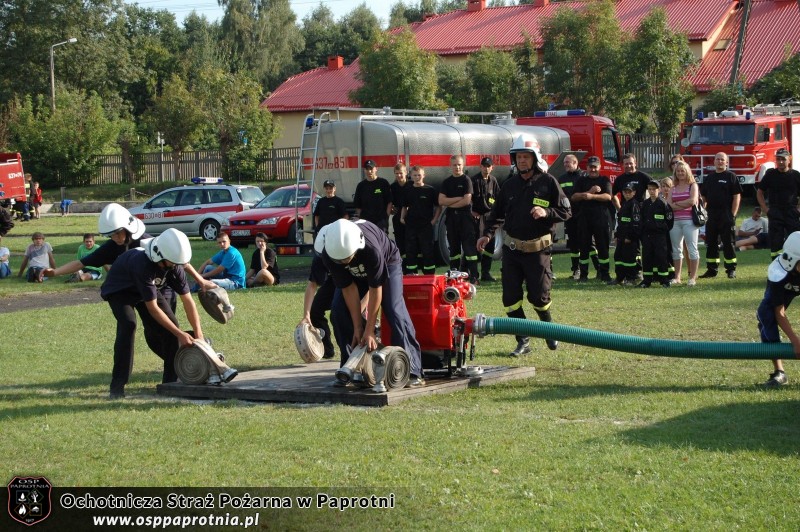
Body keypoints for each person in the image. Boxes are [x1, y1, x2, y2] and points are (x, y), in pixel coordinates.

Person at [477, 134, 570, 356]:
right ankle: (523, 340)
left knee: (538, 298)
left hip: (538, 252)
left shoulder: (548, 183)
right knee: (510, 299)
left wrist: (546, 212)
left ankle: (548, 329)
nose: (522, 161)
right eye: (518, 157)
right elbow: (496, 215)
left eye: (526, 157)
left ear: (535, 158)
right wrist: (486, 235)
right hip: (512, 252)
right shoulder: (508, 186)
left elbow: (566, 211)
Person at [100, 228, 212, 399]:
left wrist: (199, 334)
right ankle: (117, 386)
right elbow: (152, 308)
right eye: (173, 263)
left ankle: (170, 384)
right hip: (120, 289)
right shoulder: (143, 265)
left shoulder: (175, 264)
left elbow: (188, 301)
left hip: (145, 290)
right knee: (128, 325)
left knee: (172, 330)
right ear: (161, 257)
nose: (176, 266)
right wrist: (180, 334)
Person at [317, 219, 424, 387]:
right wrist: (358, 327)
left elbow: (375, 289)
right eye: (340, 260)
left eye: (347, 257)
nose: (344, 262)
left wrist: (369, 330)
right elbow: (348, 289)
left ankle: (412, 368)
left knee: (394, 310)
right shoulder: (329, 254)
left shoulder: (371, 249)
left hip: (388, 263)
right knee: (338, 312)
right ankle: (351, 367)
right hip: (354, 276)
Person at [42, 203, 215, 293]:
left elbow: (179, 259)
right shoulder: (110, 247)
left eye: (118, 233)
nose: (115, 238)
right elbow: (81, 263)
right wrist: (55, 272)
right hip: (139, 290)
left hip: (163, 285)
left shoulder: (146, 241)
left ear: (127, 229)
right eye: (111, 235)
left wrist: (201, 281)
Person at [757, 231, 800, 387]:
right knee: (765, 313)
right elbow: (778, 312)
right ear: (792, 261)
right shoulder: (779, 274)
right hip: (786, 290)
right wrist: (795, 340)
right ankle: (779, 372)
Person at [699, 152, 742, 279]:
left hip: (726, 214)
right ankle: (711, 269)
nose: (719, 161)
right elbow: (703, 196)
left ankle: (731, 269)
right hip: (711, 215)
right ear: (714, 162)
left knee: (728, 243)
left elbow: (736, 196)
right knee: (711, 243)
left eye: (722, 160)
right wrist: (703, 210)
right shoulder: (709, 178)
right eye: (717, 159)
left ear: (726, 162)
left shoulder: (731, 176)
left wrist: (733, 214)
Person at [571, 156, 612, 283]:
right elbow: (574, 197)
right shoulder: (581, 180)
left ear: (599, 167)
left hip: (601, 217)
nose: (593, 169)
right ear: (587, 168)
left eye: (595, 166)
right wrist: (587, 193)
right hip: (584, 218)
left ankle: (604, 274)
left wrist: (592, 196)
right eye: (590, 167)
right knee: (584, 247)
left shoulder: (604, 180)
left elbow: (608, 197)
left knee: (602, 247)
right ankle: (583, 275)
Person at [439, 154, 479, 282]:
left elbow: (467, 200)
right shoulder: (447, 182)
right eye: (454, 165)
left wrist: (450, 203)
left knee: (469, 249)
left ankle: (473, 276)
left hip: (465, 219)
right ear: (450, 166)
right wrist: (457, 199)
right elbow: (441, 201)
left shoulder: (466, 180)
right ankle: (454, 276)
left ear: (463, 165)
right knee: (454, 250)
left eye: (459, 165)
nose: (457, 167)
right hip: (451, 220)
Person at [756, 148, 800, 260]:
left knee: (794, 240)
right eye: (778, 159)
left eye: (783, 159)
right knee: (775, 243)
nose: (780, 162)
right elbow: (759, 192)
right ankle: (776, 268)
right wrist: (766, 209)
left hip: (792, 212)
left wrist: (798, 209)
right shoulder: (770, 174)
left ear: (789, 159)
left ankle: (795, 269)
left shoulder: (796, 175)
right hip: (775, 212)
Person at [402, 165, 441, 275]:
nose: (417, 177)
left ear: (424, 175)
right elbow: (404, 206)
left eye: (419, 175)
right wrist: (402, 217)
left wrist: (434, 220)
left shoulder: (430, 190)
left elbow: (439, 207)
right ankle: (412, 273)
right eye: (415, 175)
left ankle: (429, 274)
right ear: (411, 176)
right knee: (410, 250)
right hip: (411, 225)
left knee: (427, 251)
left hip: (426, 225)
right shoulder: (408, 190)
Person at [666, 161, 700, 286]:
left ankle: (692, 278)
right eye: (678, 171)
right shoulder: (673, 188)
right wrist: (680, 205)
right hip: (675, 222)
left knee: (692, 249)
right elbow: (668, 205)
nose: (680, 173)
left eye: (682, 171)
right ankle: (677, 277)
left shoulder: (693, 186)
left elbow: (692, 201)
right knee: (676, 249)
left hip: (689, 221)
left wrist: (676, 205)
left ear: (687, 172)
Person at [298, 254, 337, 360]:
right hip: (333, 280)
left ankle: (349, 352)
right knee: (314, 311)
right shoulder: (320, 257)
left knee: (338, 314)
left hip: (355, 281)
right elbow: (312, 284)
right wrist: (307, 315)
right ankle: (326, 350)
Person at [638, 180, 673, 288]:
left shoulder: (663, 203)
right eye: (650, 189)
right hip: (647, 236)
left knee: (661, 257)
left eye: (654, 189)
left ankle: (664, 280)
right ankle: (647, 280)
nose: (652, 191)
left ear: (659, 190)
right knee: (647, 257)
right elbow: (641, 219)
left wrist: (662, 229)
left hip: (660, 236)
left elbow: (669, 220)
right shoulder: (645, 204)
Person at [471, 157, 501, 282]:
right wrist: (471, 212)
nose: (486, 168)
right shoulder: (474, 180)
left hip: (490, 216)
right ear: (480, 167)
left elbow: (498, 198)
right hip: (477, 217)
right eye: (484, 166)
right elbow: (469, 198)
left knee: (490, 245)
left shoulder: (493, 181)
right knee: (476, 245)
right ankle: (471, 272)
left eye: (488, 166)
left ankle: (486, 273)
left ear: (492, 168)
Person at [557, 154, 584, 280]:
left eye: (568, 162)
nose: (566, 165)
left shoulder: (583, 176)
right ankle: (575, 270)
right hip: (569, 216)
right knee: (573, 244)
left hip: (583, 214)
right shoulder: (561, 179)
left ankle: (598, 270)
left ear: (575, 162)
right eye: (564, 163)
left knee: (588, 244)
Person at [609, 182, 641, 285]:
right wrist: (617, 235)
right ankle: (619, 277)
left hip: (630, 238)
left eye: (629, 192)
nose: (627, 194)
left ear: (634, 193)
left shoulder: (634, 205)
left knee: (629, 259)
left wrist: (630, 237)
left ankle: (631, 278)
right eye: (625, 192)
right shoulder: (624, 204)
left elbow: (636, 223)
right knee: (618, 257)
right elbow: (621, 221)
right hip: (621, 237)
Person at [353, 160, 391, 233]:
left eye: (371, 169)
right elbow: (358, 205)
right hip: (366, 221)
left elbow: (389, 202)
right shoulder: (361, 186)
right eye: (367, 169)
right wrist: (361, 218)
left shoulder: (383, 183)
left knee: (382, 243)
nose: (369, 171)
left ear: (376, 169)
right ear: (364, 170)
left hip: (380, 221)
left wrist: (386, 217)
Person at [387, 163, 412, 271]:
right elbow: (389, 202)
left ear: (406, 173)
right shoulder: (392, 187)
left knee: (411, 242)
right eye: (396, 174)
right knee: (400, 243)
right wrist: (391, 209)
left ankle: (412, 268)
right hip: (398, 217)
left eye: (401, 173)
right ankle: (402, 268)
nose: (399, 176)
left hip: (410, 216)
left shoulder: (411, 185)